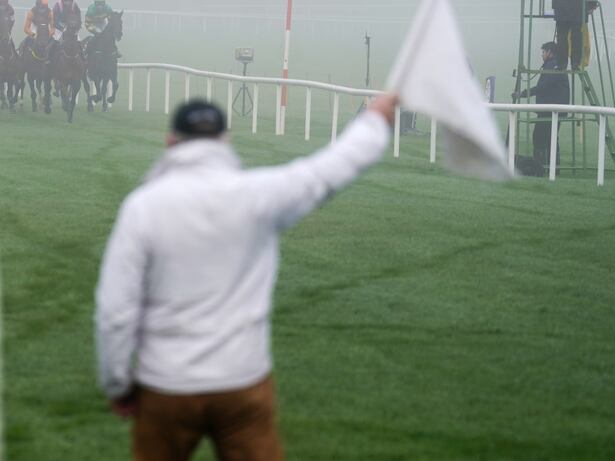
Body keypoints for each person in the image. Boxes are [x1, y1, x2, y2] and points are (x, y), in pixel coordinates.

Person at [95, 95, 398, 461]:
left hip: (166, 385)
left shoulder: (142, 206)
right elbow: (330, 169)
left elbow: (116, 310)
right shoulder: (258, 194)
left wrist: (118, 383)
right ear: (225, 139)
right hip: (242, 381)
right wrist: (376, 119)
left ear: (170, 141)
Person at [512, 42, 570, 173]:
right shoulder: (555, 65)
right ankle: (552, 169)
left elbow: (542, 87)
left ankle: (539, 168)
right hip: (552, 109)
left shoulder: (552, 66)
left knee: (539, 138)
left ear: (549, 52)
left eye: (543, 52)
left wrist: (523, 94)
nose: (542, 55)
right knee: (550, 138)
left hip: (550, 110)